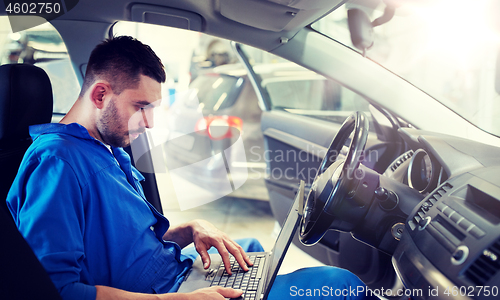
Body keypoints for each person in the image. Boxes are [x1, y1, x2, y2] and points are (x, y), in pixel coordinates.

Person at [7, 36, 376, 300]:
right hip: (163, 292)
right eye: (141, 107)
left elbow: (120, 243)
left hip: (171, 271)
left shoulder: (103, 148)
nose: (148, 124)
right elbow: (55, 290)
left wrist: (187, 229)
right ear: (101, 94)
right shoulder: (56, 162)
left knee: (246, 249)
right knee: (340, 284)